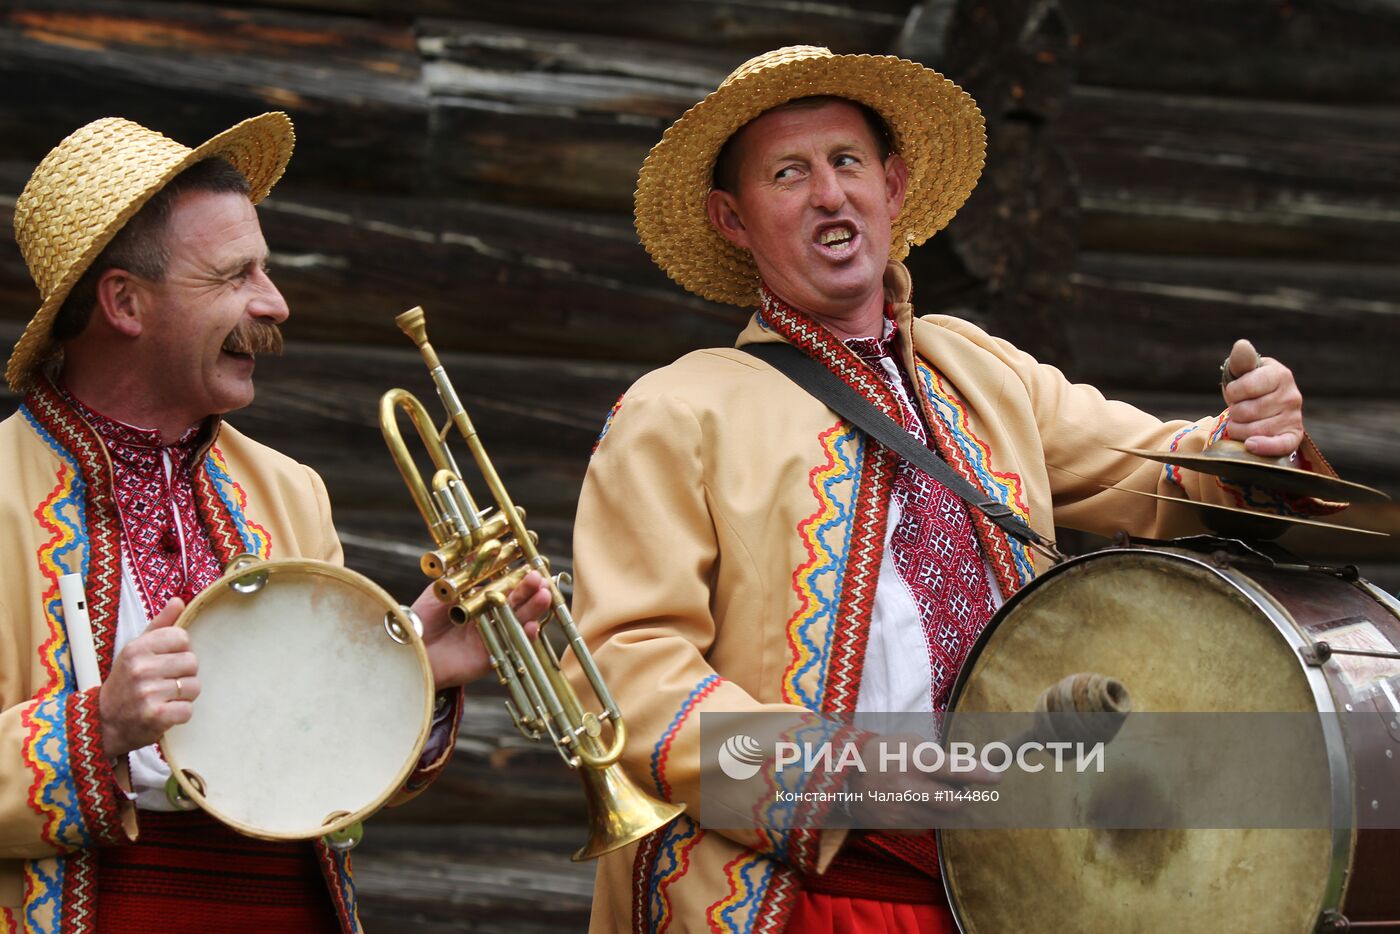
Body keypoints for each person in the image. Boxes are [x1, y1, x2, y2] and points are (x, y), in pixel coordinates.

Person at [524, 46, 1335, 932]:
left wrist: (1258, 437)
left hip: (1021, 887)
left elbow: (1164, 473)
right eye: (788, 174)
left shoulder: (979, 367)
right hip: (808, 897)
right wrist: (858, 775)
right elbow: (624, 676)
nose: (829, 194)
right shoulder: (674, 409)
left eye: (847, 162)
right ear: (734, 219)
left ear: (894, 185)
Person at [0, 113, 548, 933]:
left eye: (268, 269)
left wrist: (406, 677)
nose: (275, 302)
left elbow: (315, 777)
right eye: (233, 276)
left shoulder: (292, 490)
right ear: (123, 302)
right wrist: (96, 728)